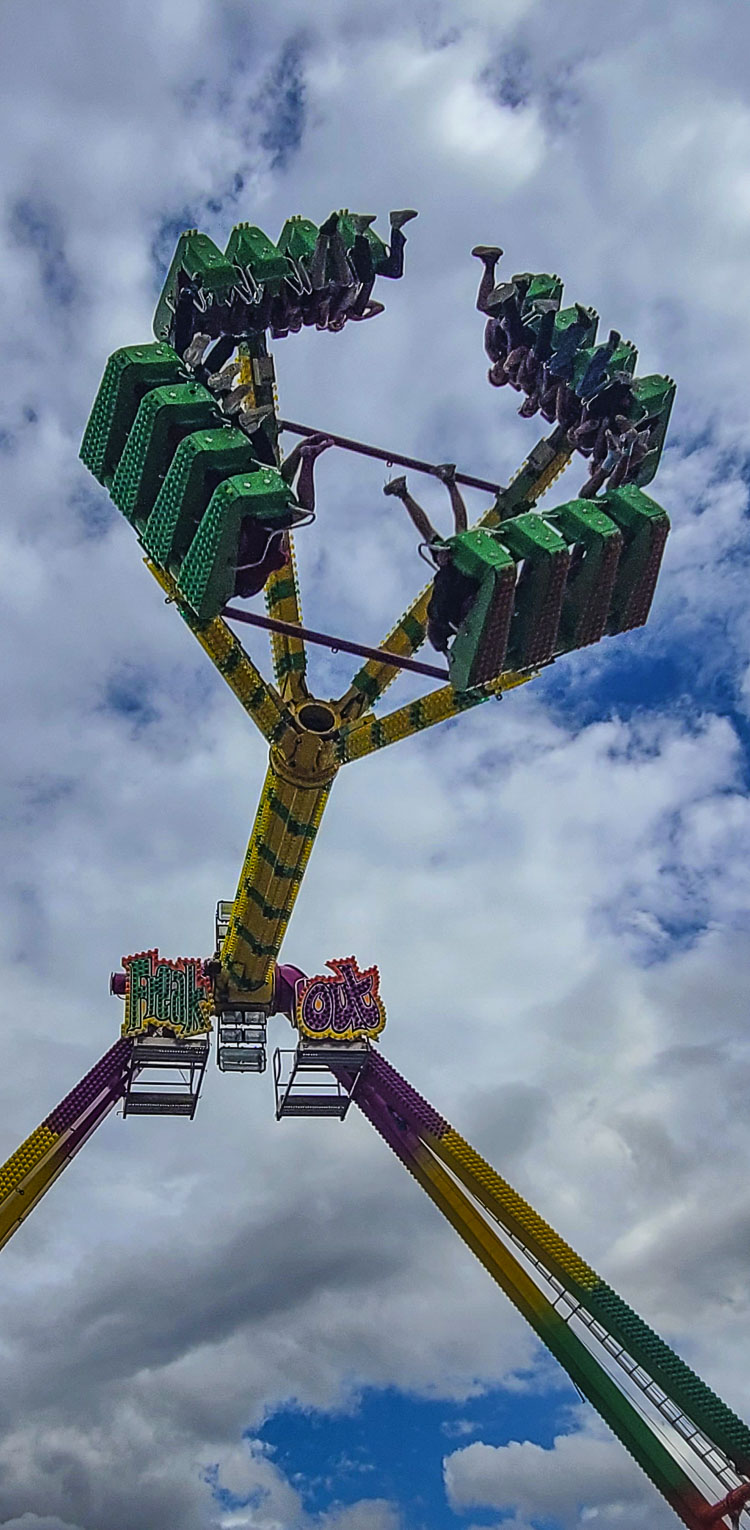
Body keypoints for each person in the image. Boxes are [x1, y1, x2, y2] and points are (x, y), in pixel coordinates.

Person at [383, 465, 479, 653]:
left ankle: (405, 492)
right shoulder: (441, 615)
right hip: (459, 573)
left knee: (445, 533)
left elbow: (446, 586)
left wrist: (445, 565)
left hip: (458, 574)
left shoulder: (441, 615)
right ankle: (416, 490)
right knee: (457, 532)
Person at [232, 435, 333, 600]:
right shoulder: (242, 571)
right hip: (253, 518)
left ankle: (308, 457)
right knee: (280, 485)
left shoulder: (253, 575)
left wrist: (280, 551)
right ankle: (302, 451)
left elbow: (273, 560)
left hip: (261, 526)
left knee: (305, 509)